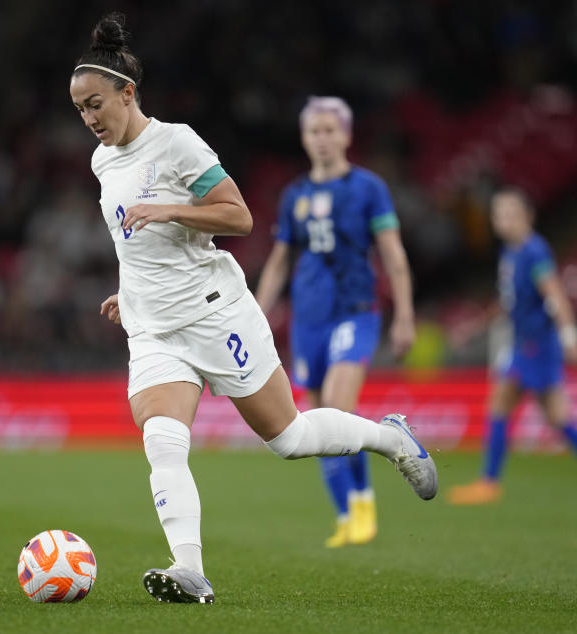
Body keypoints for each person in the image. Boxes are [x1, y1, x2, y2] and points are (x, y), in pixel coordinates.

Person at [70, 13, 436, 604]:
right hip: (154, 328)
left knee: (287, 438)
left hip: (216, 313)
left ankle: (391, 439)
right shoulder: (102, 162)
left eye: (95, 105)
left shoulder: (178, 143)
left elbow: (238, 215)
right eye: (80, 110)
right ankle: (189, 570)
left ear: (127, 93)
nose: (88, 120)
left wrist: (172, 209)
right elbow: (129, 239)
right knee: (162, 439)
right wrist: (130, 289)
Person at [254, 97, 416, 547]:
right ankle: (346, 514)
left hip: (356, 311)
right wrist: (255, 314)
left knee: (338, 411)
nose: (322, 139)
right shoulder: (295, 196)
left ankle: (363, 503)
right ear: (304, 138)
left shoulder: (368, 188)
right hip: (310, 319)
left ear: (346, 135)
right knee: (317, 421)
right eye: (314, 131)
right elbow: (280, 261)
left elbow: (392, 252)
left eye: (330, 130)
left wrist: (404, 314)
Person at [447, 187, 577, 504]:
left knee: (521, 406)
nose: (503, 221)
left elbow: (555, 294)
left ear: (528, 217)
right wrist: (474, 327)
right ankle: (488, 481)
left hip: (538, 344)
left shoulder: (534, 251)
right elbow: (508, 302)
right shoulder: (511, 252)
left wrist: (569, 334)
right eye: (498, 214)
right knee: (550, 415)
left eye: (510, 214)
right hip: (524, 342)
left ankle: (488, 482)